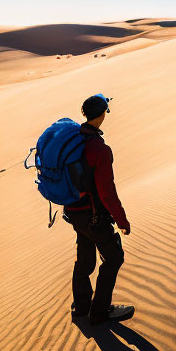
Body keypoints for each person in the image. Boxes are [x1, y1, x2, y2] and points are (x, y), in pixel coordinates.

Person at [63, 94, 134, 325]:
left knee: (84, 257)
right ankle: (100, 312)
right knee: (114, 258)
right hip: (93, 216)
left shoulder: (72, 140)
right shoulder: (100, 150)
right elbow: (107, 192)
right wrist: (121, 221)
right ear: (102, 114)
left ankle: (82, 306)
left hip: (74, 212)